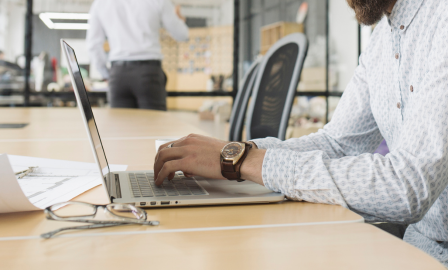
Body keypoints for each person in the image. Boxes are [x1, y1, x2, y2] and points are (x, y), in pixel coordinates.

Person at [154, 0, 448, 266]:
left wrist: (245, 161)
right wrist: (230, 153)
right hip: (415, 246)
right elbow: (337, 143)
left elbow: (409, 185)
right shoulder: (381, 39)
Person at [87, 0, 189, 110]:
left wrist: (106, 74)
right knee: (154, 125)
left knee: (120, 125)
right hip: (149, 72)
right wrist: (179, 20)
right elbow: (182, 35)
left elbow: (93, 45)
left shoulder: (101, 3)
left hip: (118, 74)